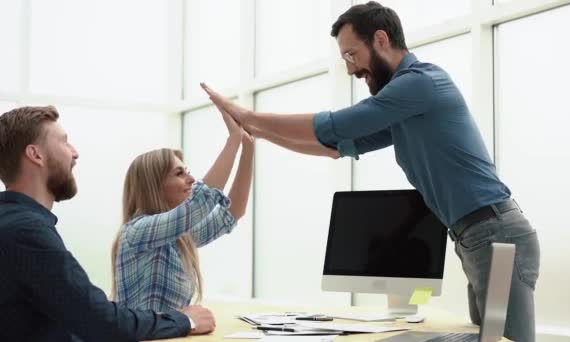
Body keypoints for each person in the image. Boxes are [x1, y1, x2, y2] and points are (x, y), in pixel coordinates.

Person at [200, 2, 540, 341]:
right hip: (476, 236)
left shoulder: (421, 83)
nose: (350, 69)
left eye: (352, 55)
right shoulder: (405, 109)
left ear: (380, 39)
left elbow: (338, 124)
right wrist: (260, 133)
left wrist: (248, 115)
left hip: (496, 233)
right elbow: (337, 147)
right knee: (491, 339)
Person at [0, 106, 216, 341]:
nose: (75, 153)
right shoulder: (26, 231)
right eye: (64, 142)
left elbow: (76, 314)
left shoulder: (13, 222)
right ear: (36, 154)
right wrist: (186, 320)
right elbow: (99, 321)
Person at [111, 108, 254, 312]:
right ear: (154, 184)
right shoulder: (137, 231)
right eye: (179, 173)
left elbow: (232, 213)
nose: (191, 179)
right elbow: (200, 203)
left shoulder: (178, 237)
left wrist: (247, 148)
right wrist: (233, 140)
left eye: (187, 172)